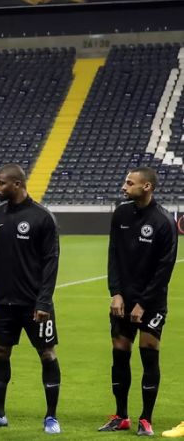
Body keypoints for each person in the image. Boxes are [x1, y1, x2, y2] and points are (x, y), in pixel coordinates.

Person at [0, 164, 61, 434]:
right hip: (4, 302)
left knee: (46, 353)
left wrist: (44, 301)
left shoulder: (42, 217)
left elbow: (51, 263)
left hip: (35, 304)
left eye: (1, 183)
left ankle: (51, 417)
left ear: (17, 184)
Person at [99, 167, 177, 436]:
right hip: (123, 299)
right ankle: (121, 415)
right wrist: (116, 293)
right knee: (119, 354)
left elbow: (164, 269)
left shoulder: (163, 221)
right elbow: (113, 255)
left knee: (148, 355)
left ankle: (146, 418)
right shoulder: (121, 214)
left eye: (129, 183)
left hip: (151, 302)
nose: (124, 187)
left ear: (147, 187)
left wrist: (143, 303)